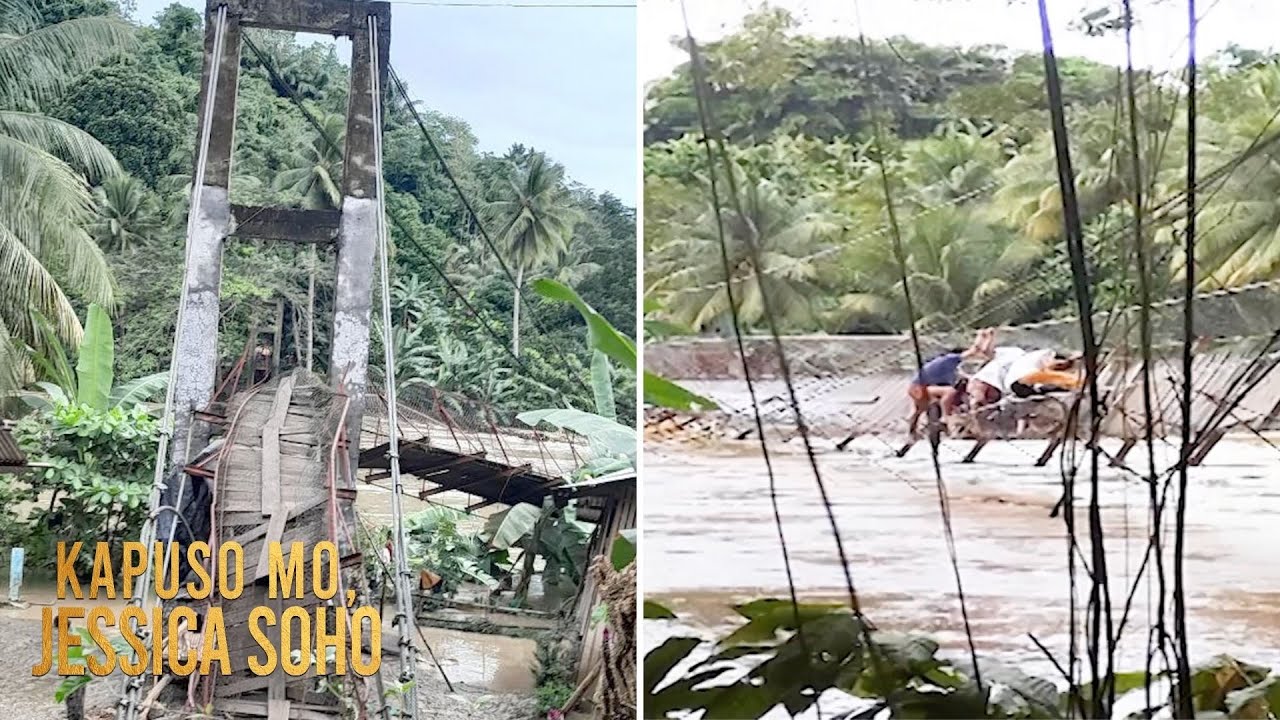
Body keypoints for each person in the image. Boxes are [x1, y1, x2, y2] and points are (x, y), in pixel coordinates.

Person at [906, 337, 988, 439]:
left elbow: (961, 376)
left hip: (916, 388)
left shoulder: (946, 365)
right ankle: (944, 417)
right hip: (918, 388)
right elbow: (974, 350)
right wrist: (983, 337)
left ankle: (912, 433)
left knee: (919, 410)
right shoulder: (950, 358)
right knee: (949, 392)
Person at [1004, 349, 1083, 398]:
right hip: (1020, 380)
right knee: (1056, 377)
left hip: (1018, 383)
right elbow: (1049, 369)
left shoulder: (1040, 356)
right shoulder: (1047, 354)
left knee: (1053, 377)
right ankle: (1078, 383)